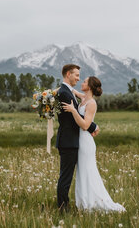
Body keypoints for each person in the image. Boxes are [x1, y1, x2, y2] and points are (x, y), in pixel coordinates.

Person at [62, 76, 126, 212]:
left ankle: (93, 203)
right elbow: (72, 91)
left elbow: (85, 125)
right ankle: (84, 202)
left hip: (85, 142)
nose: (81, 82)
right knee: (82, 173)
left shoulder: (91, 103)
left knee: (88, 172)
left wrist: (73, 110)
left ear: (89, 86)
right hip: (79, 141)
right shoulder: (83, 98)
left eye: (84, 81)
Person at [56, 64, 99, 213]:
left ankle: (84, 202)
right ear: (68, 74)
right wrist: (93, 126)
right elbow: (71, 118)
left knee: (81, 174)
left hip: (75, 141)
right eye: (76, 75)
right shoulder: (65, 93)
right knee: (66, 177)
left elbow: (81, 103)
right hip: (69, 141)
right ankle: (63, 208)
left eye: (82, 78)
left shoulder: (68, 92)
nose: (79, 79)